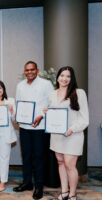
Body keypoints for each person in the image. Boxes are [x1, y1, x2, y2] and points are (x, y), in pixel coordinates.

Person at [44, 66, 89, 200]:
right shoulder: (52, 94)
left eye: (68, 76)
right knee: (60, 162)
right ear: (57, 77)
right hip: (57, 135)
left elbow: (85, 118)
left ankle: (72, 194)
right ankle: (64, 191)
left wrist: (72, 129)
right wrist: (47, 112)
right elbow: (53, 115)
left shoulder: (79, 93)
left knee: (70, 165)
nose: (64, 78)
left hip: (73, 135)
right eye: (62, 75)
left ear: (71, 79)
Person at [14, 61, 54, 199]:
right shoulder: (20, 85)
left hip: (39, 127)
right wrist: (17, 116)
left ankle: (39, 186)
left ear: (37, 70)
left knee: (38, 157)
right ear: (24, 72)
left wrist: (41, 116)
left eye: (32, 69)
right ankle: (27, 183)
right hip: (24, 127)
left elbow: (51, 104)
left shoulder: (46, 84)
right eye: (27, 70)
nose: (29, 72)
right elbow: (18, 103)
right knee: (26, 156)